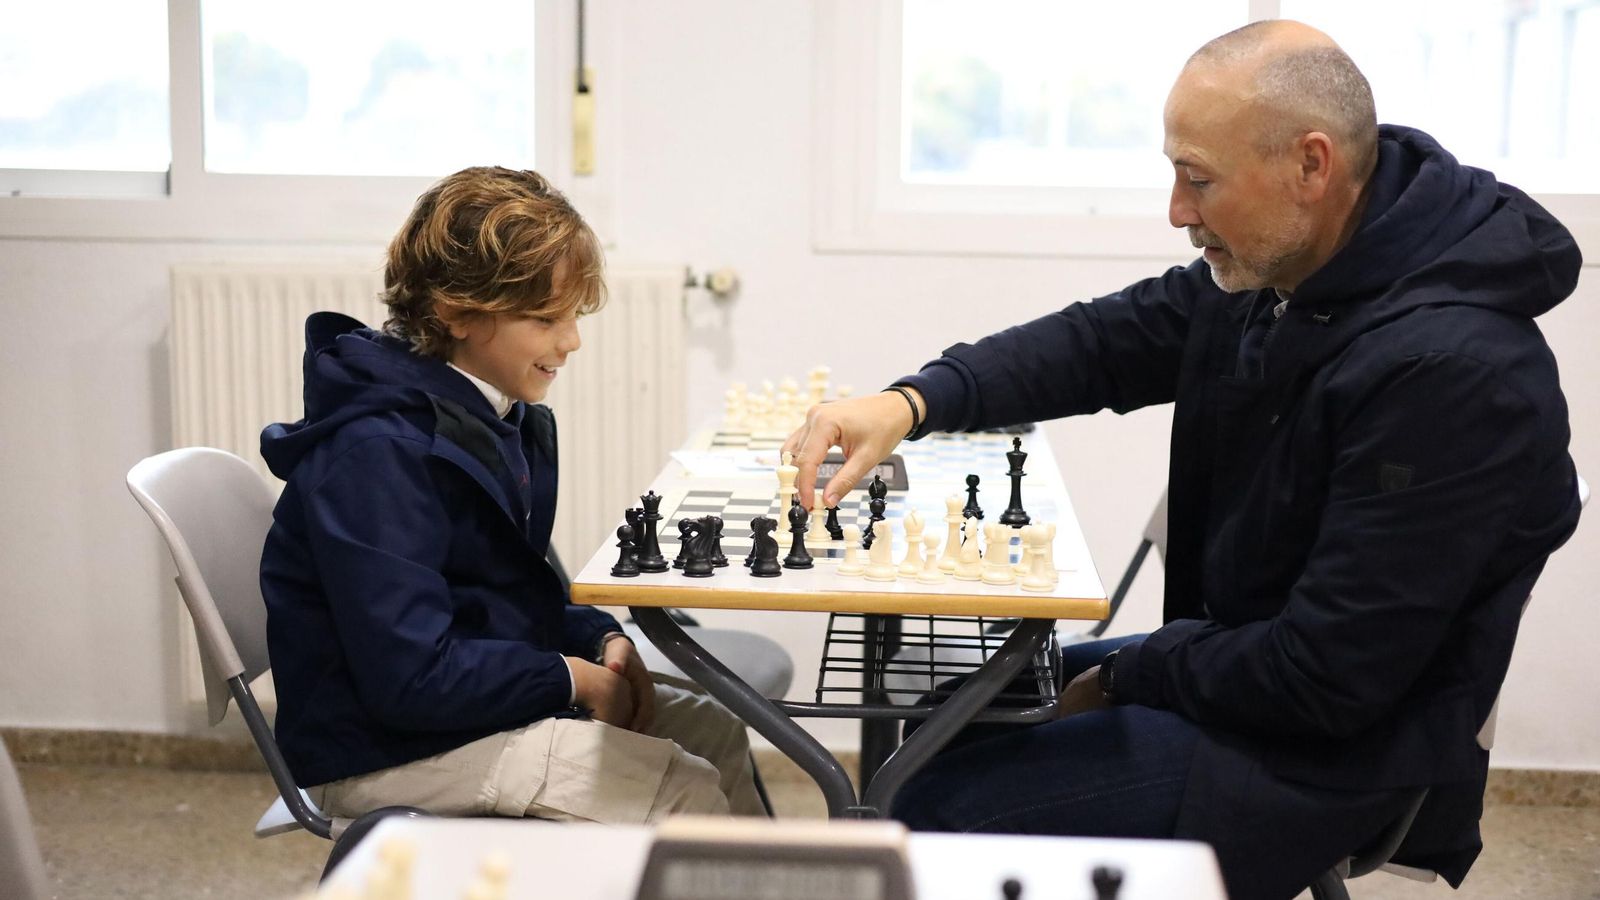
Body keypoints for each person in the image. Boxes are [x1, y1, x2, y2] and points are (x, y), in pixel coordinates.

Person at [783, 20, 1581, 900]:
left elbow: (1328, 682)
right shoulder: (1291, 276)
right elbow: (1100, 342)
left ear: (1310, 166)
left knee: (931, 806)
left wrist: (1130, 674)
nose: (1176, 211)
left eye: (1198, 180)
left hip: (1327, 757)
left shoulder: (1456, 375)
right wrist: (912, 402)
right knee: (948, 722)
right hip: (1242, 675)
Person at [260, 166, 764, 824]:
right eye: (546, 318)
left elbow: (511, 595)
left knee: (711, 731)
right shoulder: (376, 456)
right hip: (378, 749)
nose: (572, 339)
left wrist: (601, 638)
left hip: (453, 708)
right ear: (457, 313)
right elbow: (407, 680)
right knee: (678, 787)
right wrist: (570, 678)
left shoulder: (487, 418)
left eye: (574, 315)